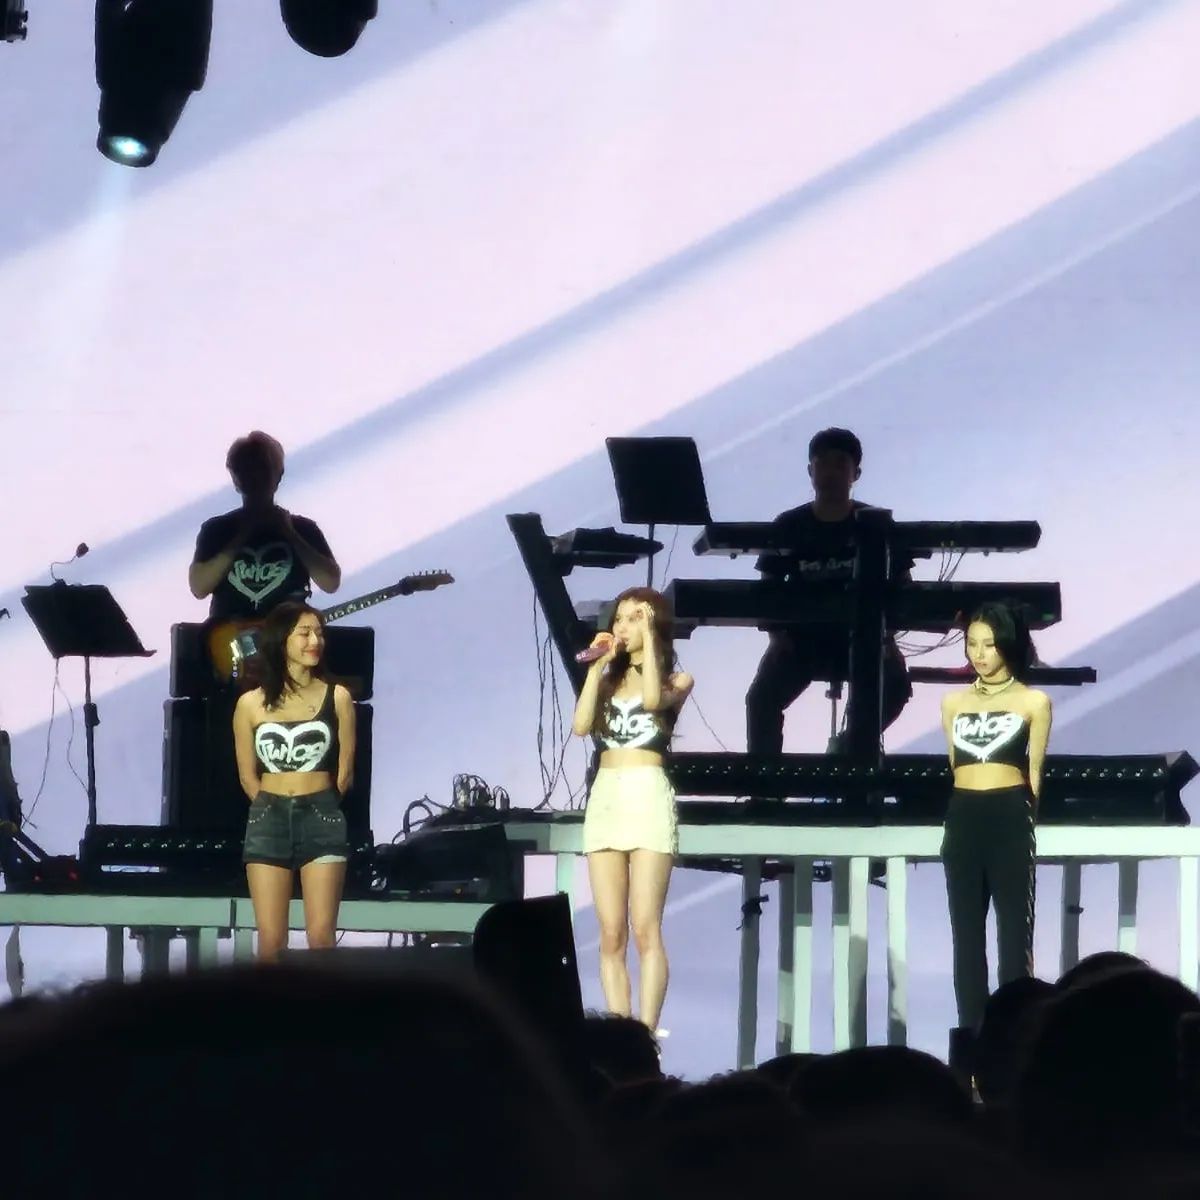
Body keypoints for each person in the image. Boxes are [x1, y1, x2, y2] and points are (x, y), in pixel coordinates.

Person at [745, 427, 912, 761]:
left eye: (840, 464)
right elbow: (768, 586)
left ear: (855, 473)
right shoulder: (789, 524)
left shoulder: (876, 524)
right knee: (761, 698)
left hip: (864, 637)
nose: (830, 472)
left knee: (895, 687)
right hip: (802, 640)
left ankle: (849, 750)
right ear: (810, 470)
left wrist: (887, 637)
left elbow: (902, 585)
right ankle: (766, 782)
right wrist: (777, 637)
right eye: (822, 464)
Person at [571, 588, 693, 1033]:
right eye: (618, 619)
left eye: (632, 619)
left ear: (653, 624)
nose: (621, 627)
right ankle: (620, 1033)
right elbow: (581, 726)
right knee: (610, 932)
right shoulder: (607, 681)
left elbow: (654, 701)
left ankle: (646, 1034)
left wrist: (650, 638)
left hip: (647, 793)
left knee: (645, 927)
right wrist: (597, 667)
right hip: (607, 795)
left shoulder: (677, 680)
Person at [940, 601, 1052, 1031]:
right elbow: (956, 764)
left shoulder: (1033, 701)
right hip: (963, 816)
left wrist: (1025, 821)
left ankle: (1014, 1039)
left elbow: (1034, 772)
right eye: (972, 644)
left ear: (1008, 644)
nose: (979, 654)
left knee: (1013, 939)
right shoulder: (953, 702)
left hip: (1009, 814)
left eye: (989, 644)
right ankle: (971, 1041)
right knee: (966, 941)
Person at [233, 601, 356, 961]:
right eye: (304, 633)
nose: (315, 641)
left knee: (321, 938)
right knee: (271, 943)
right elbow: (247, 775)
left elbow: (345, 772)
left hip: (320, 815)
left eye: (319, 633)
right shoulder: (250, 704)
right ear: (281, 640)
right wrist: (269, 803)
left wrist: (321, 801)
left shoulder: (338, 697)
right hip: (268, 818)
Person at [190, 431, 341, 621]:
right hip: (229, 636)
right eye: (247, 471)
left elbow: (330, 583)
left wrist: (291, 534)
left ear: (278, 475)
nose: (255, 478)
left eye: (262, 470)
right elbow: (199, 587)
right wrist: (242, 535)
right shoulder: (216, 530)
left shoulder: (304, 529)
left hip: (287, 633)